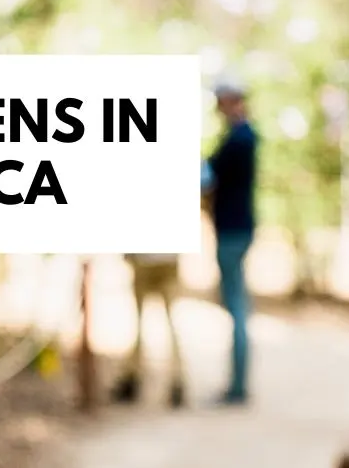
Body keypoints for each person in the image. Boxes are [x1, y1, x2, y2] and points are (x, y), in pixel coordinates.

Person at [205, 77, 259, 406]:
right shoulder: (241, 136)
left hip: (232, 230)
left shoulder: (240, 139)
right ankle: (237, 383)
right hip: (236, 228)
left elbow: (208, 177)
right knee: (236, 303)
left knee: (236, 305)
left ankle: (238, 386)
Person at [108, 252, 186, 408]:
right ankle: (177, 379)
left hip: (143, 258)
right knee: (171, 322)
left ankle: (132, 376)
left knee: (139, 321)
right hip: (168, 258)